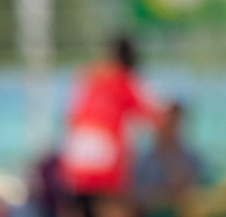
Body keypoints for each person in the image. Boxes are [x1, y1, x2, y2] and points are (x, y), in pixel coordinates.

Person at [61, 34, 167, 217]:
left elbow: (70, 118)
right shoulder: (126, 80)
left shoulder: (86, 77)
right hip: (107, 169)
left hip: (75, 167)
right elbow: (157, 118)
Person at [131, 101, 205, 217]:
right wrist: (170, 194)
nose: (172, 124)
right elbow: (135, 201)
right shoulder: (142, 164)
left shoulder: (194, 159)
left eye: (175, 119)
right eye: (167, 119)